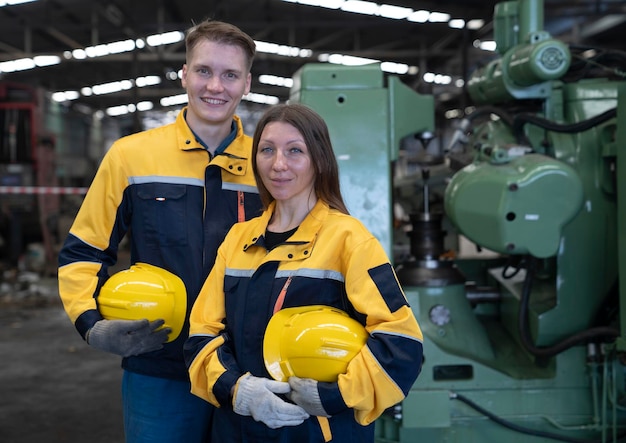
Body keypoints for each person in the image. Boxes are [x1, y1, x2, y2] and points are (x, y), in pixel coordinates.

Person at [57, 20, 263, 443]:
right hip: (159, 366)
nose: (215, 86)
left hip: (248, 368)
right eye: (204, 71)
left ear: (247, 84)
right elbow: (84, 251)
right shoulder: (131, 156)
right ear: (184, 74)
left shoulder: (268, 164)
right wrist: (90, 322)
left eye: (230, 75)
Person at [184, 103, 424, 442]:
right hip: (238, 430)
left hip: (318, 431)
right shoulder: (238, 239)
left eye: (295, 151)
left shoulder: (348, 240)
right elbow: (201, 334)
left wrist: (336, 396)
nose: (278, 164)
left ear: (319, 160)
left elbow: (402, 342)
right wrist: (236, 390)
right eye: (267, 150)